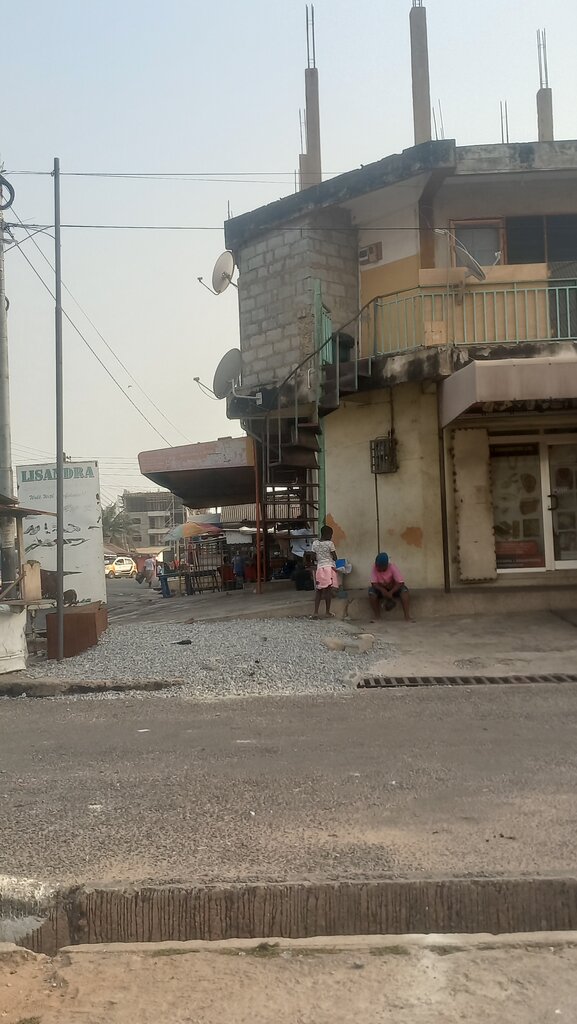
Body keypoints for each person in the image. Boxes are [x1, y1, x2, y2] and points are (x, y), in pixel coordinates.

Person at [368, 552, 413, 622]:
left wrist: (391, 592)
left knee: (405, 592)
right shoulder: (374, 567)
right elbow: (374, 583)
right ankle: (377, 616)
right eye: (377, 566)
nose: (378, 568)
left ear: (386, 565)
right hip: (381, 588)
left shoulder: (392, 567)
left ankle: (407, 616)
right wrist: (382, 590)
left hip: (393, 588)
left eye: (380, 567)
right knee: (371, 593)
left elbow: (400, 582)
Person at [311, 525, 338, 619]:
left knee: (319, 590)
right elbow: (335, 557)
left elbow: (313, 557)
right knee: (328, 591)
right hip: (329, 568)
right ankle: (327, 612)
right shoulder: (330, 544)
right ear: (327, 534)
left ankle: (315, 612)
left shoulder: (315, 543)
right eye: (331, 534)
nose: (331, 536)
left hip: (320, 568)